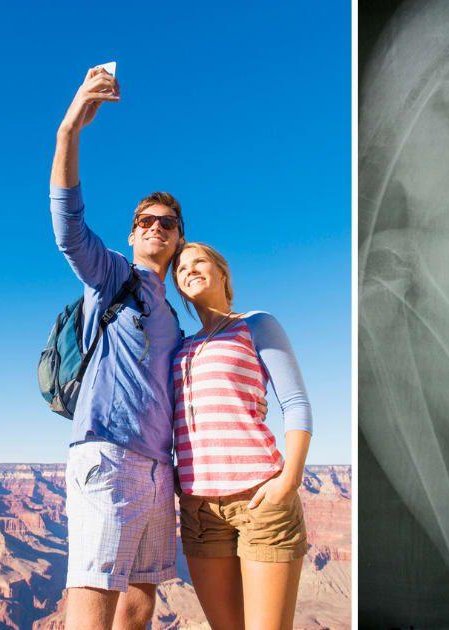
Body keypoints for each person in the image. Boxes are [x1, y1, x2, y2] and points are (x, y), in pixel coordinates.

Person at [50, 66, 185, 630]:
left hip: (160, 468)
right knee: (95, 587)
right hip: (106, 454)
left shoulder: (175, 317)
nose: (155, 227)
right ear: (132, 234)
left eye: (167, 223)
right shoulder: (112, 275)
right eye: (145, 221)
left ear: (178, 239)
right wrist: (69, 131)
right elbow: (67, 227)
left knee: (142, 595)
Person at [170, 242, 313, 630]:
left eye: (199, 261)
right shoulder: (181, 348)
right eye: (180, 269)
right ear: (178, 287)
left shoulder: (255, 324)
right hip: (200, 508)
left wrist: (290, 480)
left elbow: (296, 402)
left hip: (260, 498)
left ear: (222, 273)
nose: (189, 270)